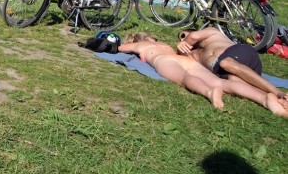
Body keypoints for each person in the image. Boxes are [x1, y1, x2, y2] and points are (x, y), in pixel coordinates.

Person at [120, 33, 287, 115]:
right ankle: (265, 99)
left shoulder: (141, 45)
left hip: (164, 61)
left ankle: (208, 92)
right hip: (186, 60)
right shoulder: (164, 44)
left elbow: (120, 48)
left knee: (185, 79)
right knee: (222, 83)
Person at [177, 27, 286, 101]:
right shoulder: (193, 54)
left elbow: (193, 37)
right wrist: (181, 49)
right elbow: (183, 62)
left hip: (238, 53)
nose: (183, 39)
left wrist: (186, 41)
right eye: (180, 39)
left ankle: (277, 92)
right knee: (233, 80)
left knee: (226, 63)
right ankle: (273, 99)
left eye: (183, 35)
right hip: (222, 70)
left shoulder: (212, 33)